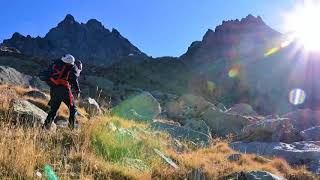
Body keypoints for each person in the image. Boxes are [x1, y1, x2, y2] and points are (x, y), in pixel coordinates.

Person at [43, 54, 81, 130]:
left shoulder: (56, 64)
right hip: (65, 91)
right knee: (73, 109)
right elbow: (74, 80)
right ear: (70, 62)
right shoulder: (70, 68)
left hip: (54, 89)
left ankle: (45, 128)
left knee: (53, 110)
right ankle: (71, 129)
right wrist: (77, 91)